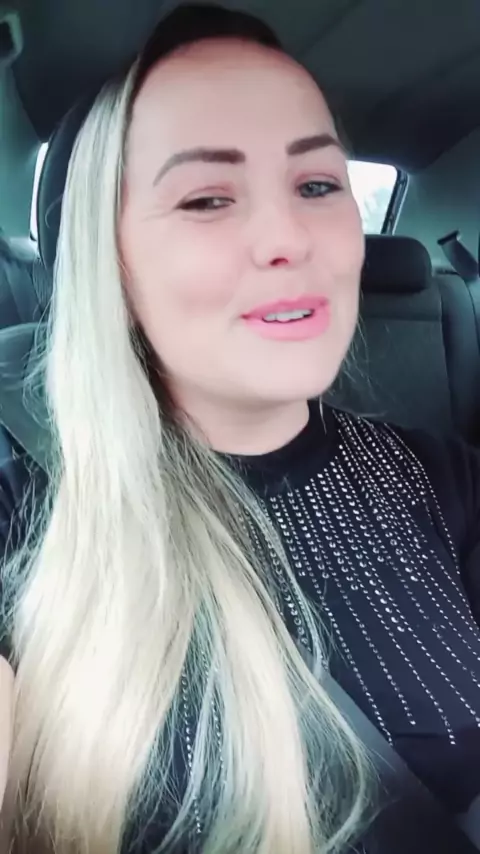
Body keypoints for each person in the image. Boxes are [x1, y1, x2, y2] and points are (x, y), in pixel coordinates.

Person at [1, 3, 480, 853]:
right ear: (109, 262)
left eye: (318, 185)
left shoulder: (447, 481)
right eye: (206, 198)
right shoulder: (25, 519)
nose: (288, 237)